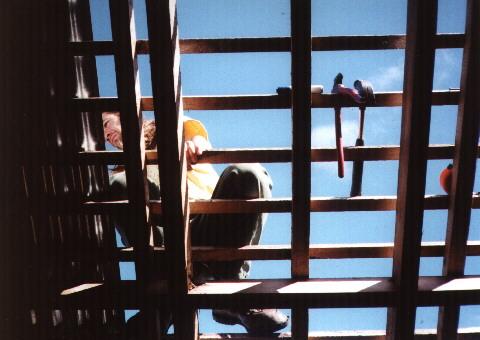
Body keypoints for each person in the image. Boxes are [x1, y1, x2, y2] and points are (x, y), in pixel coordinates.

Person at [102, 112, 289, 336]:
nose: (107, 135)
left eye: (106, 124)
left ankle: (231, 291)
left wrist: (195, 143)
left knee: (250, 172)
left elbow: (191, 129)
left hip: (207, 222)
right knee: (121, 182)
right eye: (103, 135)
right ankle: (166, 299)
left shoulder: (165, 128)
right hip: (167, 241)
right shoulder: (122, 172)